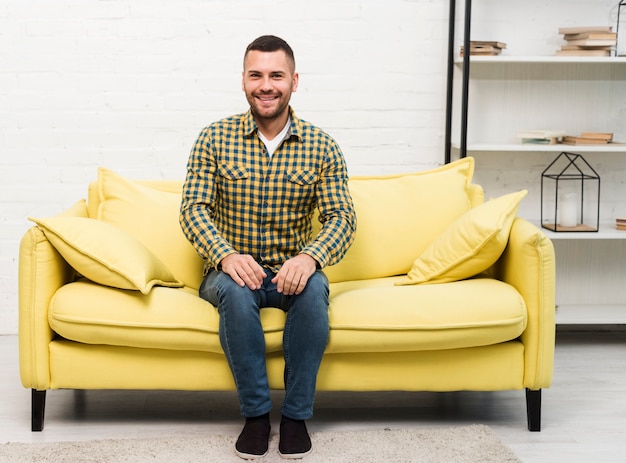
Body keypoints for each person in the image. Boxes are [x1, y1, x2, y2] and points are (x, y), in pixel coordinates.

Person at [179, 35, 357, 460]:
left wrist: (310, 258)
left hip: (290, 271)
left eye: (276, 75)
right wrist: (226, 255)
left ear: (294, 81)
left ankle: (295, 417)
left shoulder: (322, 146)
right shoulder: (214, 138)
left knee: (314, 293)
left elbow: (342, 218)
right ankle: (257, 416)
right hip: (228, 272)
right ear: (243, 80)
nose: (266, 85)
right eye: (256, 75)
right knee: (237, 295)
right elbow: (192, 209)